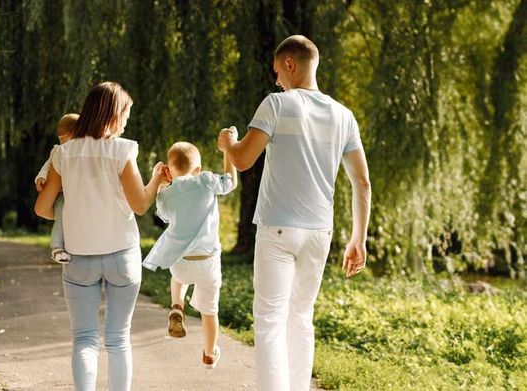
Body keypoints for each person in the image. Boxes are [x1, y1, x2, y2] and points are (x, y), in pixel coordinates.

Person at [217, 35, 372, 391]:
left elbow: (242, 161)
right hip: (321, 232)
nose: (276, 80)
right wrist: (357, 239)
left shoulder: (277, 104)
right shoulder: (344, 116)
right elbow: (362, 183)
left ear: (290, 65)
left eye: (277, 71)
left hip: (278, 230)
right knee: (301, 318)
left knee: (270, 320)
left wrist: (227, 144)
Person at [35, 81, 169, 391]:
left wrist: (76, 210)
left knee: (84, 339)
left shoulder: (62, 154)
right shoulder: (121, 150)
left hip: (79, 258)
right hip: (122, 255)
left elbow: (43, 208)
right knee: (118, 338)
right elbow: (139, 204)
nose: (126, 122)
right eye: (125, 115)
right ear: (113, 114)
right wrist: (156, 181)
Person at [142, 138, 237, 369]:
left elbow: (163, 215)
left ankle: (177, 305)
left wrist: (163, 185)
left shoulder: (166, 194)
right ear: (198, 169)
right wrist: (227, 151)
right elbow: (230, 182)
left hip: (181, 261)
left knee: (178, 278)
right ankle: (209, 353)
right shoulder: (205, 181)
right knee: (209, 311)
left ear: (168, 170)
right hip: (208, 262)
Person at [35, 113, 78, 264]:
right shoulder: (58, 151)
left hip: (75, 193)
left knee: (72, 220)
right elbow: (48, 165)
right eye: (60, 138)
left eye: (64, 137)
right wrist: (41, 178)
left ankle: (72, 245)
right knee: (60, 218)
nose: (62, 141)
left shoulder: (81, 151)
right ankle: (57, 247)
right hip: (61, 195)